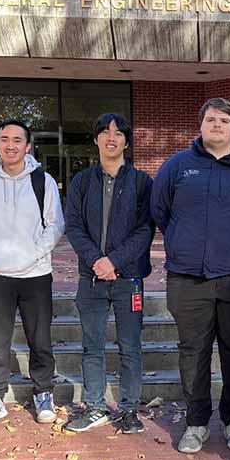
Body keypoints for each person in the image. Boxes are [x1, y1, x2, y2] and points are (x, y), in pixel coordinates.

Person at [151, 98, 230, 454]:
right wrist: (184, 242)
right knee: (193, 351)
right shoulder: (178, 165)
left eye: (224, 120)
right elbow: (159, 210)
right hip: (188, 278)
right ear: (201, 126)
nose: (216, 125)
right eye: (210, 119)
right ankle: (196, 422)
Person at [0, 118, 65, 427]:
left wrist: (32, 254)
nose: (11, 145)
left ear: (28, 146)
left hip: (35, 275)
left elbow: (55, 224)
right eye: (5, 139)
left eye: (17, 140)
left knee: (40, 339)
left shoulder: (42, 181)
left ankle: (43, 392)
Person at [63, 113, 154, 434]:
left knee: (130, 347)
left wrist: (113, 261)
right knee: (93, 346)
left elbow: (145, 230)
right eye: (104, 131)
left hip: (128, 280)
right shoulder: (82, 181)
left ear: (127, 141)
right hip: (90, 280)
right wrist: (96, 262)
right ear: (96, 139)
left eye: (118, 133)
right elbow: (73, 226)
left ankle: (129, 409)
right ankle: (95, 406)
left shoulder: (142, 182)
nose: (111, 137)